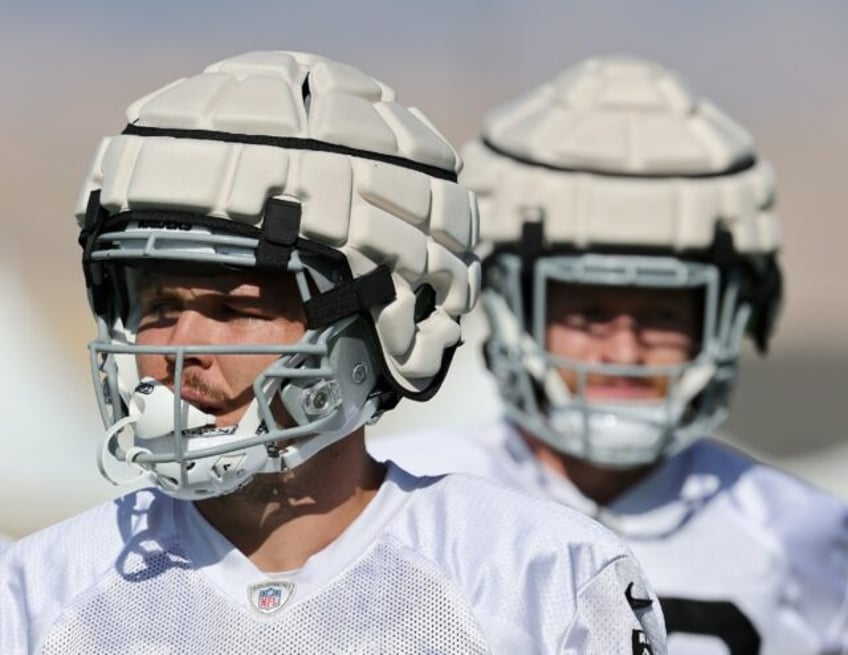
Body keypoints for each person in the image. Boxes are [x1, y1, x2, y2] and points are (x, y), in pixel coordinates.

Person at [0, 51, 666, 654]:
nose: (178, 350)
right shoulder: (36, 593)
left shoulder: (540, 578)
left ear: (384, 320)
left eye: (234, 310)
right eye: (159, 309)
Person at [370, 55, 848, 653]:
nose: (624, 349)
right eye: (589, 313)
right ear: (514, 309)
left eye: (663, 315)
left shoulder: (801, 531)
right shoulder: (394, 500)